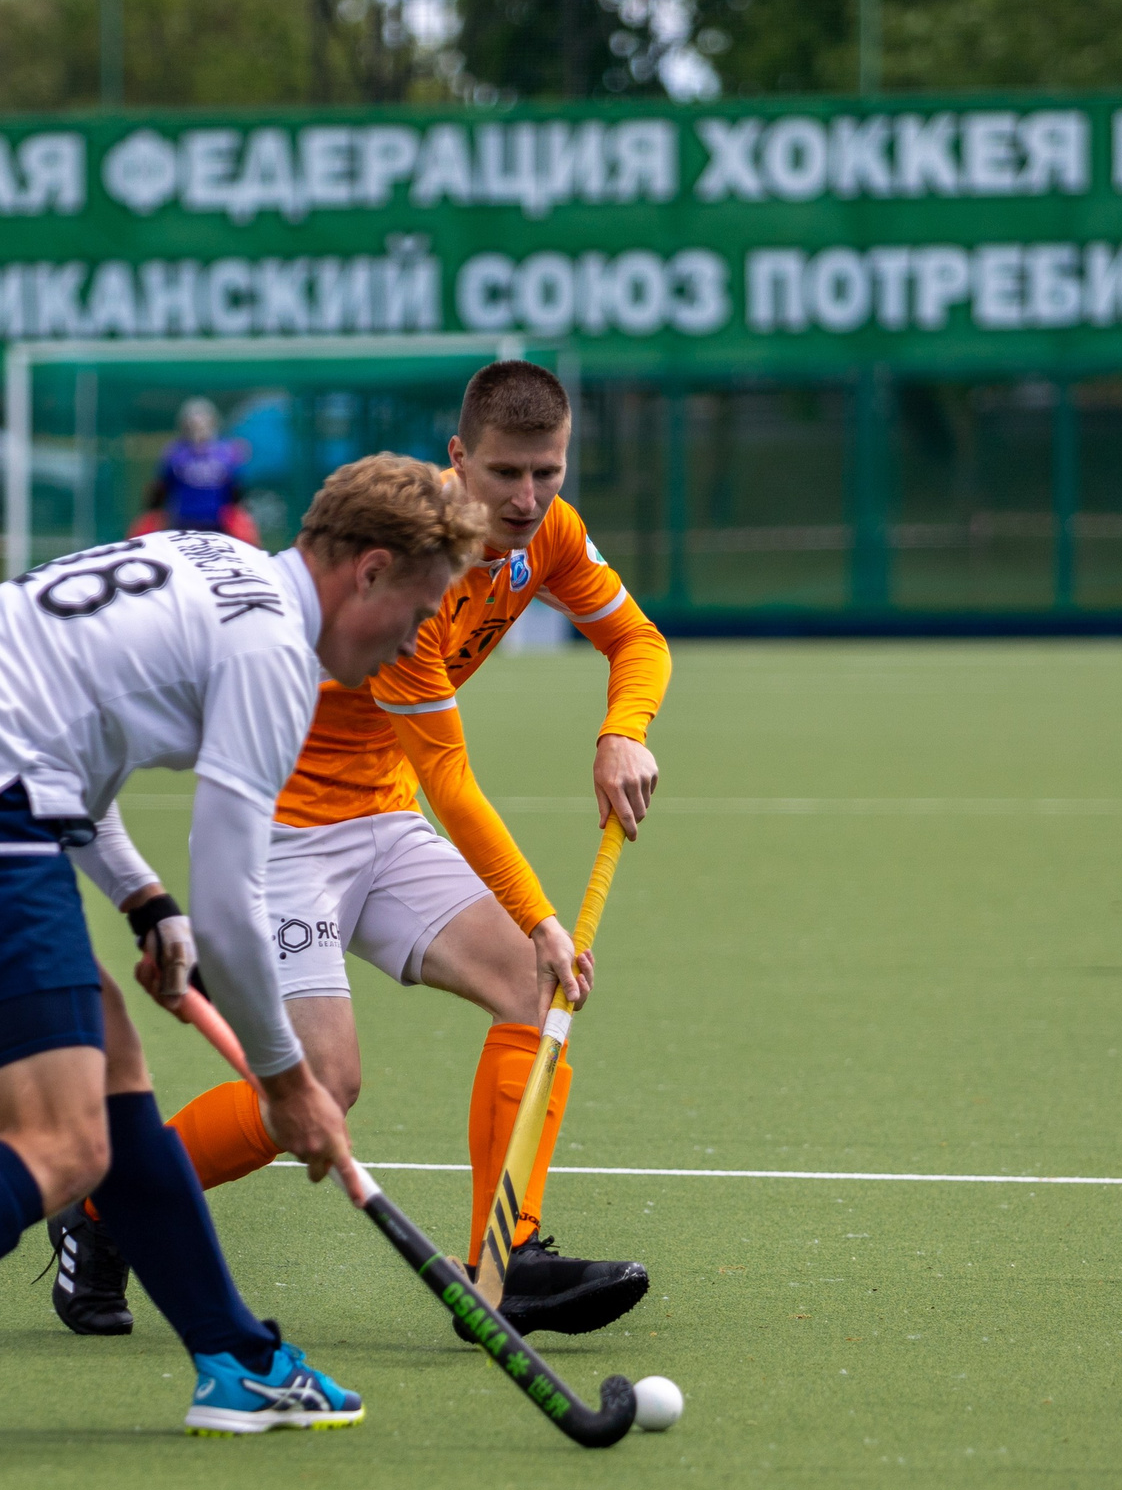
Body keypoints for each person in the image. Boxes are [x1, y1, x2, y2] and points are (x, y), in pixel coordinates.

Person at [0, 455, 483, 1473]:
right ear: (368, 571)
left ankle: (239, 1361)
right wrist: (288, 1084)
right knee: (60, 1143)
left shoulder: (208, 560)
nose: (412, 645)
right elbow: (238, 906)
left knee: (113, 1076)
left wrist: (141, 900)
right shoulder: (274, 653)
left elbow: (73, 724)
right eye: (417, 615)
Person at [48, 360, 673, 1343]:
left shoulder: (549, 533)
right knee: (317, 1089)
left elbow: (638, 642)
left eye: (545, 474)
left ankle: (505, 1267)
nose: (525, 498)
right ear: (458, 457)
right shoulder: (409, 559)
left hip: (381, 820)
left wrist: (622, 729)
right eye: (505, 473)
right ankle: (101, 1209)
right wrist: (544, 918)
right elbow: (452, 780)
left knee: (530, 989)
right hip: (287, 834)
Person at [135, 397, 258, 542]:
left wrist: (240, 518)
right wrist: (152, 514)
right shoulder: (176, 453)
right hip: (183, 522)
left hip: (219, 523)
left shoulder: (227, 452)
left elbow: (237, 490)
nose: (199, 427)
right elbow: (162, 488)